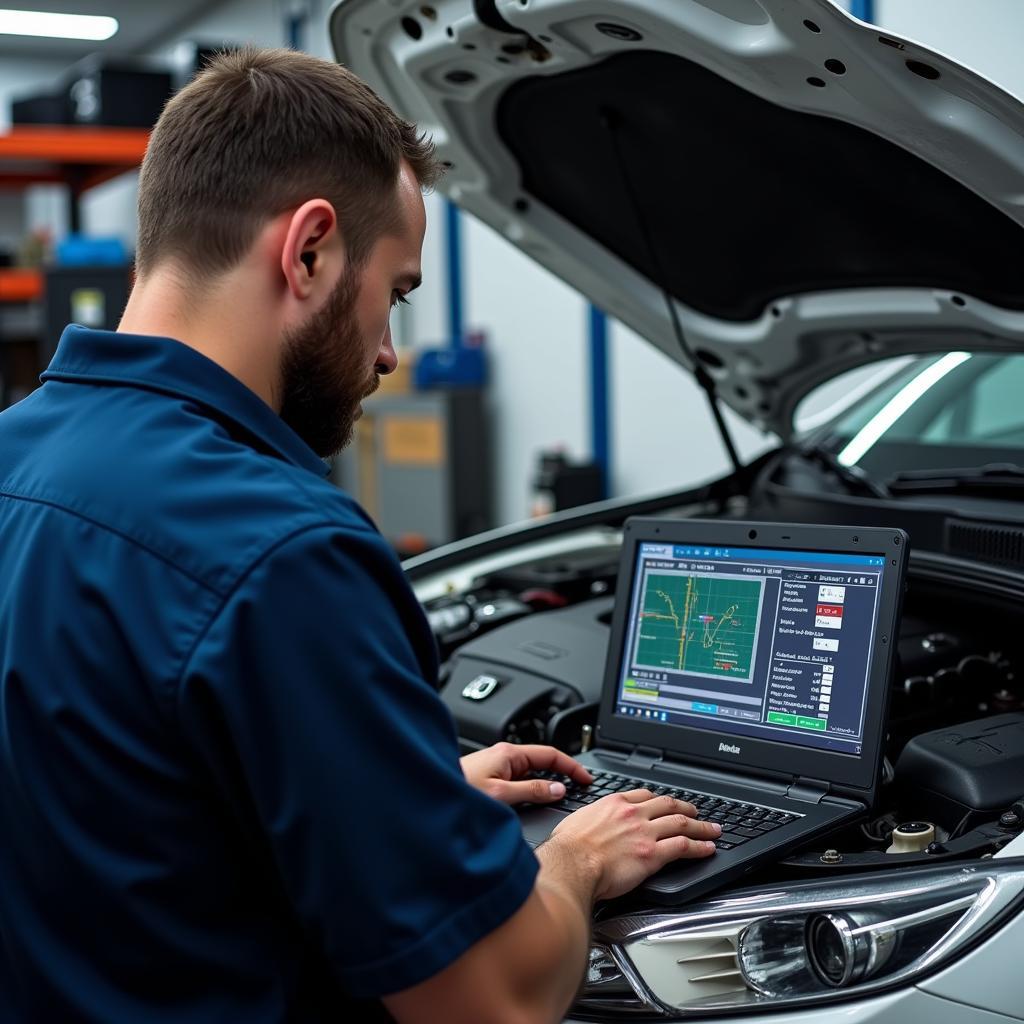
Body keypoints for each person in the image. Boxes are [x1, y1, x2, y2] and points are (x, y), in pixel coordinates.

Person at [0, 48, 720, 1023]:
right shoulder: (279, 550)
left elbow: (102, 794)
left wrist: (395, 795)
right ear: (308, 250)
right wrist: (577, 862)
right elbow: (490, 999)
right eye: (399, 292)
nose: (388, 350)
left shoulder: (16, 457)